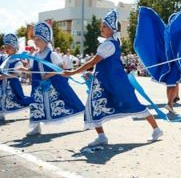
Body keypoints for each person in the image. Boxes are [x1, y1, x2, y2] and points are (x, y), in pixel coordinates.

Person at [62, 10, 163, 147]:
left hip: (115, 82)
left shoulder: (109, 44)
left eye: (104, 26)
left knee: (133, 104)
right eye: (102, 26)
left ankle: (156, 129)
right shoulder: (111, 43)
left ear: (112, 29)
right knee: (93, 104)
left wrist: (72, 72)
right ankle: (101, 136)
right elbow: (101, 64)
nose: (101, 28)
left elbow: (93, 61)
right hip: (104, 82)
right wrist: (92, 73)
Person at [27, 23, 85, 136]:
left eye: (38, 39)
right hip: (38, 86)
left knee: (65, 101)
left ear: (45, 41)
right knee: (36, 104)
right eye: (35, 39)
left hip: (52, 85)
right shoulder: (35, 55)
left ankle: (87, 118)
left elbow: (61, 69)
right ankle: (36, 127)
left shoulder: (52, 54)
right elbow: (32, 69)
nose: (35, 41)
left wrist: (48, 75)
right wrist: (23, 69)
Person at [0, 34, 32, 123]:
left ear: (15, 48)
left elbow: (16, 74)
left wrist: (4, 76)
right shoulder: (2, 57)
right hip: (0, 84)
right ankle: (0, 114)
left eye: (9, 47)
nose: (7, 49)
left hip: (11, 85)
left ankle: (34, 106)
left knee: (16, 99)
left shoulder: (17, 61)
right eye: (6, 46)